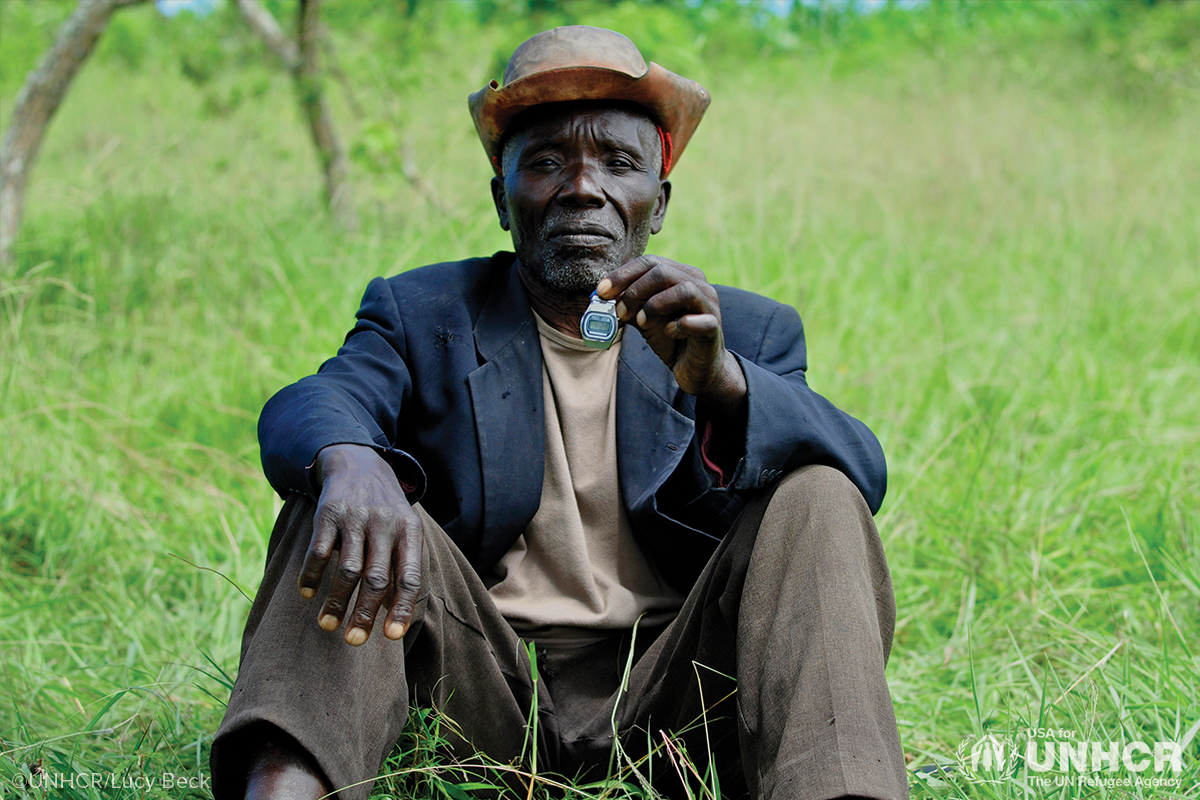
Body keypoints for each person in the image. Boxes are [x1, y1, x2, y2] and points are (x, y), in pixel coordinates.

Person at [210, 25, 908, 800]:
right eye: (545, 162)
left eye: (618, 162)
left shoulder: (740, 331)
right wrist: (350, 459)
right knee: (340, 498)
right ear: (502, 204)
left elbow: (862, 472)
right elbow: (320, 399)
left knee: (818, 494)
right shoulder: (425, 310)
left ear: (660, 202)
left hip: (681, 704)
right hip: (485, 687)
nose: (582, 186)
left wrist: (725, 382)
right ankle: (289, 788)